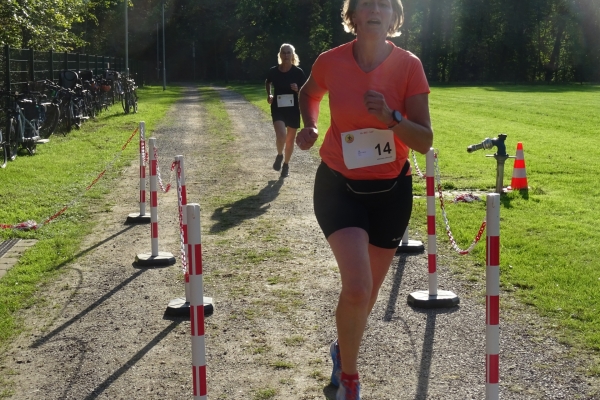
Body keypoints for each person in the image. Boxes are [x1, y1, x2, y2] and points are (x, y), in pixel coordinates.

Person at [296, 0, 433, 399]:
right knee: (357, 287)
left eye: (383, 4)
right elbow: (309, 93)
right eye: (366, 4)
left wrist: (392, 118)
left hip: (391, 193)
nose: (375, 9)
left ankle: (342, 351)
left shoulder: (409, 66)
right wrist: (311, 125)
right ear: (353, 15)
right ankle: (350, 379)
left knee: (367, 295)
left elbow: (424, 140)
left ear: (394, 16)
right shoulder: (330, 61)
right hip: (339, 187)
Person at [265, 43, 307, 178]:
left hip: (293, 109)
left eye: (288, 52)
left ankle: (286, 165)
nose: (286, 55)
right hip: (278, 108)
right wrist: (269, 94)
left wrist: (297, 89)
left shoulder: (298, 72)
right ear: (280, 55)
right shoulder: (273, 71)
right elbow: (268, 82)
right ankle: (279, 155)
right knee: (281, 135)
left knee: (290, 140)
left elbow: (305, 91)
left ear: (293, 55)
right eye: (283, 52)